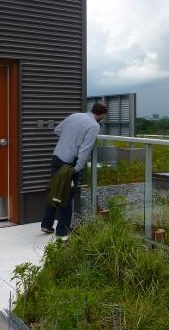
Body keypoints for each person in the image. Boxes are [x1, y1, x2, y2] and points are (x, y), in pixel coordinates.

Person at [40, 102, 107, 240]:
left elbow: (57, 130)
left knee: (54, 190)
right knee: (66, 195)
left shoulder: (75, 115)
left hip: (57, 156)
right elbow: (85, 149)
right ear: (102, 115)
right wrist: (77, 168)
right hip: (69, 163)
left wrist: (68, 140)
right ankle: (62, 230)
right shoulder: (94, 126)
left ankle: (46, 224)